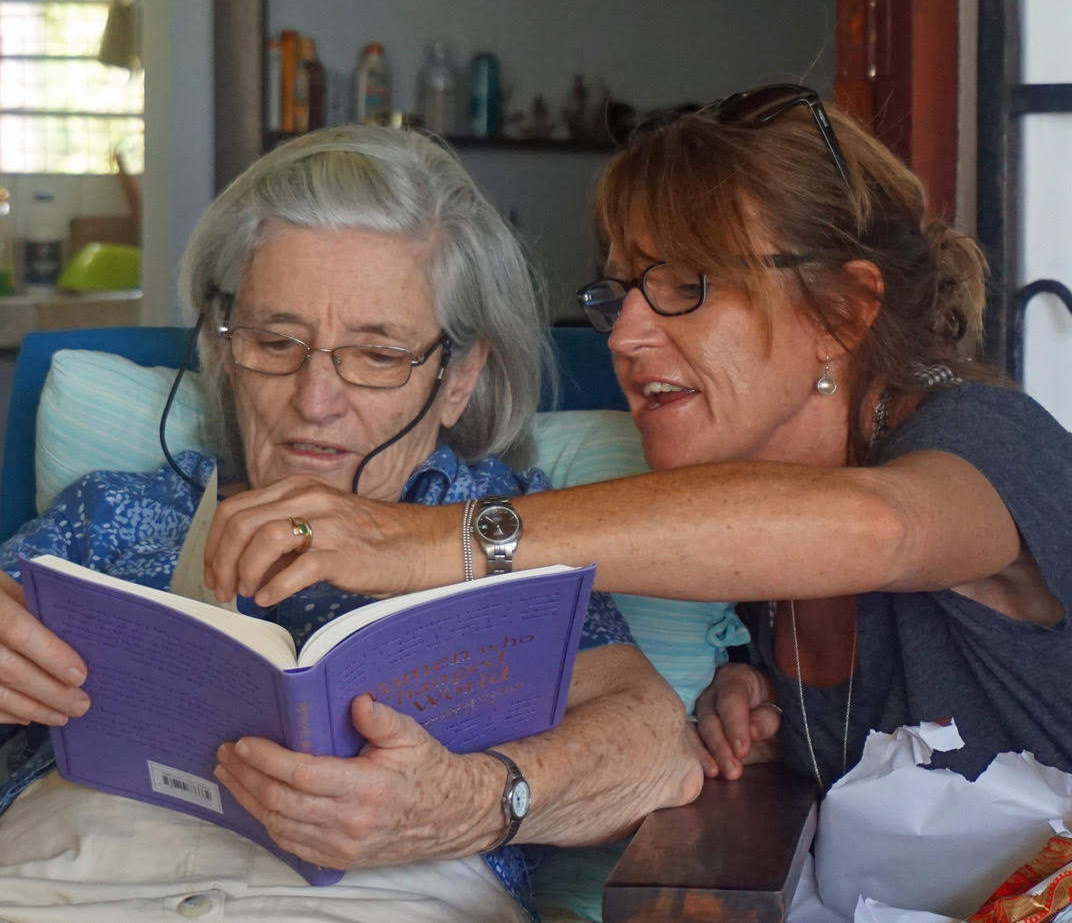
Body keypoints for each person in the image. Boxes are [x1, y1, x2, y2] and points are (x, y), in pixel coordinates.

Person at [203, 85, 1072, 797]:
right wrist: (746, 695)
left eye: (687, 287)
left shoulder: (986, 439)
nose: (624, 335)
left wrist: (427, 539)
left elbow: (878, 529)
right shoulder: (741, 495)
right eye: (621, 291)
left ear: (843, 311)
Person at [0, 125, 701, 923]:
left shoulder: (504, 530)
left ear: (457, 380)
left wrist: (465, 799)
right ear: (225, 351)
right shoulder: (108, 516)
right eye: (276, 340)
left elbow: (658, 748)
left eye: (376, 355)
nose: (315, 400)